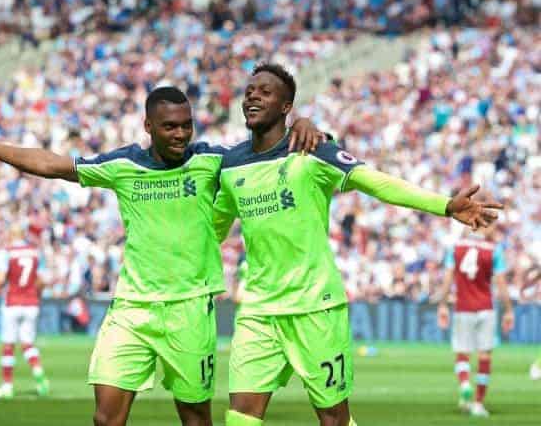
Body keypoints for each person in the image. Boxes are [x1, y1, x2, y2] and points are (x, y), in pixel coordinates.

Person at [0, 86, 323, 426]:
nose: (180, 134)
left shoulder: (212, 159)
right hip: (131, 309)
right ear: (148, 126)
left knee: (194, 417)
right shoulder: (124, 166)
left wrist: (301, 123)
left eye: (186, 126)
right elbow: (54, 165)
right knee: (106, 418)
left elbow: (269, 150)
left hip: (190, 310)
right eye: (170, 126)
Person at [213, 63, 503, 426]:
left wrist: (443, 205)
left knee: (334, 417)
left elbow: (375, 181)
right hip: (258, 309)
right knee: (240, 415)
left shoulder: (313, 150)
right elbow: (213, 228)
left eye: (265, 92)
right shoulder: (230, 165)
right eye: (249, 91)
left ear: (286, 108)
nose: (253, 95)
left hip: (315, 308)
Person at [437, 217, 514, 417]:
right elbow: (501, 284)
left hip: (463, 308)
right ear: (485, 227)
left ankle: (464, 384)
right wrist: (508, 310)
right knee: (485, 355)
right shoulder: (493, 250)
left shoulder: (455, 248)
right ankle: (478, 404)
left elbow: (447, 279)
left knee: (462, 352)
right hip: (485, 308)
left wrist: (443, 305)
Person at [0, 224, 50, 399]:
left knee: (8, 345)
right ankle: (39, 374)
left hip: (12, 302)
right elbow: (41, 281)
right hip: (31, 303)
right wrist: (38, 296)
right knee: (27, 343)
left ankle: (7, 386)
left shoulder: (6, 252)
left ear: (10, 235)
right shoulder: (35, 252)